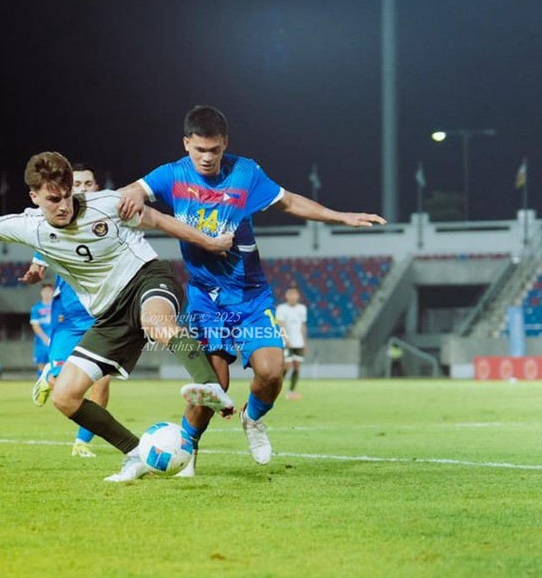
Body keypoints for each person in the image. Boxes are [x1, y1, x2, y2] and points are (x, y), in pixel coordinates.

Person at [0, 151, 235, 482]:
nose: (63, 205)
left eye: (67, 195)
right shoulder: (29, 226)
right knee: (64, 396)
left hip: (146, 278)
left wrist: (208, 241)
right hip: (107, 313)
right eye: (52, 199)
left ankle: (210, 388)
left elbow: (157, 220)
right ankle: (137, 453)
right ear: (34, 196)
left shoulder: (105, 203)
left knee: (158, 324)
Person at [119, 105, 386, 475]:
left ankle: (253, 420)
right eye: (200, 150)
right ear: (186, 144)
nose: (208, 157)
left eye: (215, 150)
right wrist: (130, 194)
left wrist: (341, 217)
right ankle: (187, 451)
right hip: (205, 298)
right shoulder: (172, 176)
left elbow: (290, 201)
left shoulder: (246, 173)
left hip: (249, 295)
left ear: (225, 143)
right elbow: (134, 190)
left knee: (272, 370)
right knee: (212, 382)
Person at [24, 163, 113, 458]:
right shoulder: (56, 225)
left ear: (96, 188)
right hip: (68, 316)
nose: (84, 189)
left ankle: (82, 442)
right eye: (78, 185)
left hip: (102, 316)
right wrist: (36, 268)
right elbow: (40, 254)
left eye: (89, 184)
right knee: (62, 383)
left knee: (101, 383)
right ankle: (50, 374)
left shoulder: (107, 221)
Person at [276, 285, 308, 400]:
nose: (292, 296)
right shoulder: (281, 308)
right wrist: (285, 339)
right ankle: (276, 388)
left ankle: (291, 392)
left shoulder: (302, 308)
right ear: (286, 296)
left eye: (294, 294)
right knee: (286, 366)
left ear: (298, 296)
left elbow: (303, 326)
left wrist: (304, 342)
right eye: (290, 294)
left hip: (298, 342)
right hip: (286, 343)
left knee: (297, 367)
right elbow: (280, 325)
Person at [29, 283, 53, 378]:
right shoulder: (36, 308)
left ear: (53, 292)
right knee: (41, 365)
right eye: (45, 291)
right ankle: (41, 387)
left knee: (56, 364)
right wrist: (44, 338)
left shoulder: (57, 307)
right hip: (41, 342)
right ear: (41, 293)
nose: (47, 293)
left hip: (55, 340)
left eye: (49, 291)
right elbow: (35, 325)